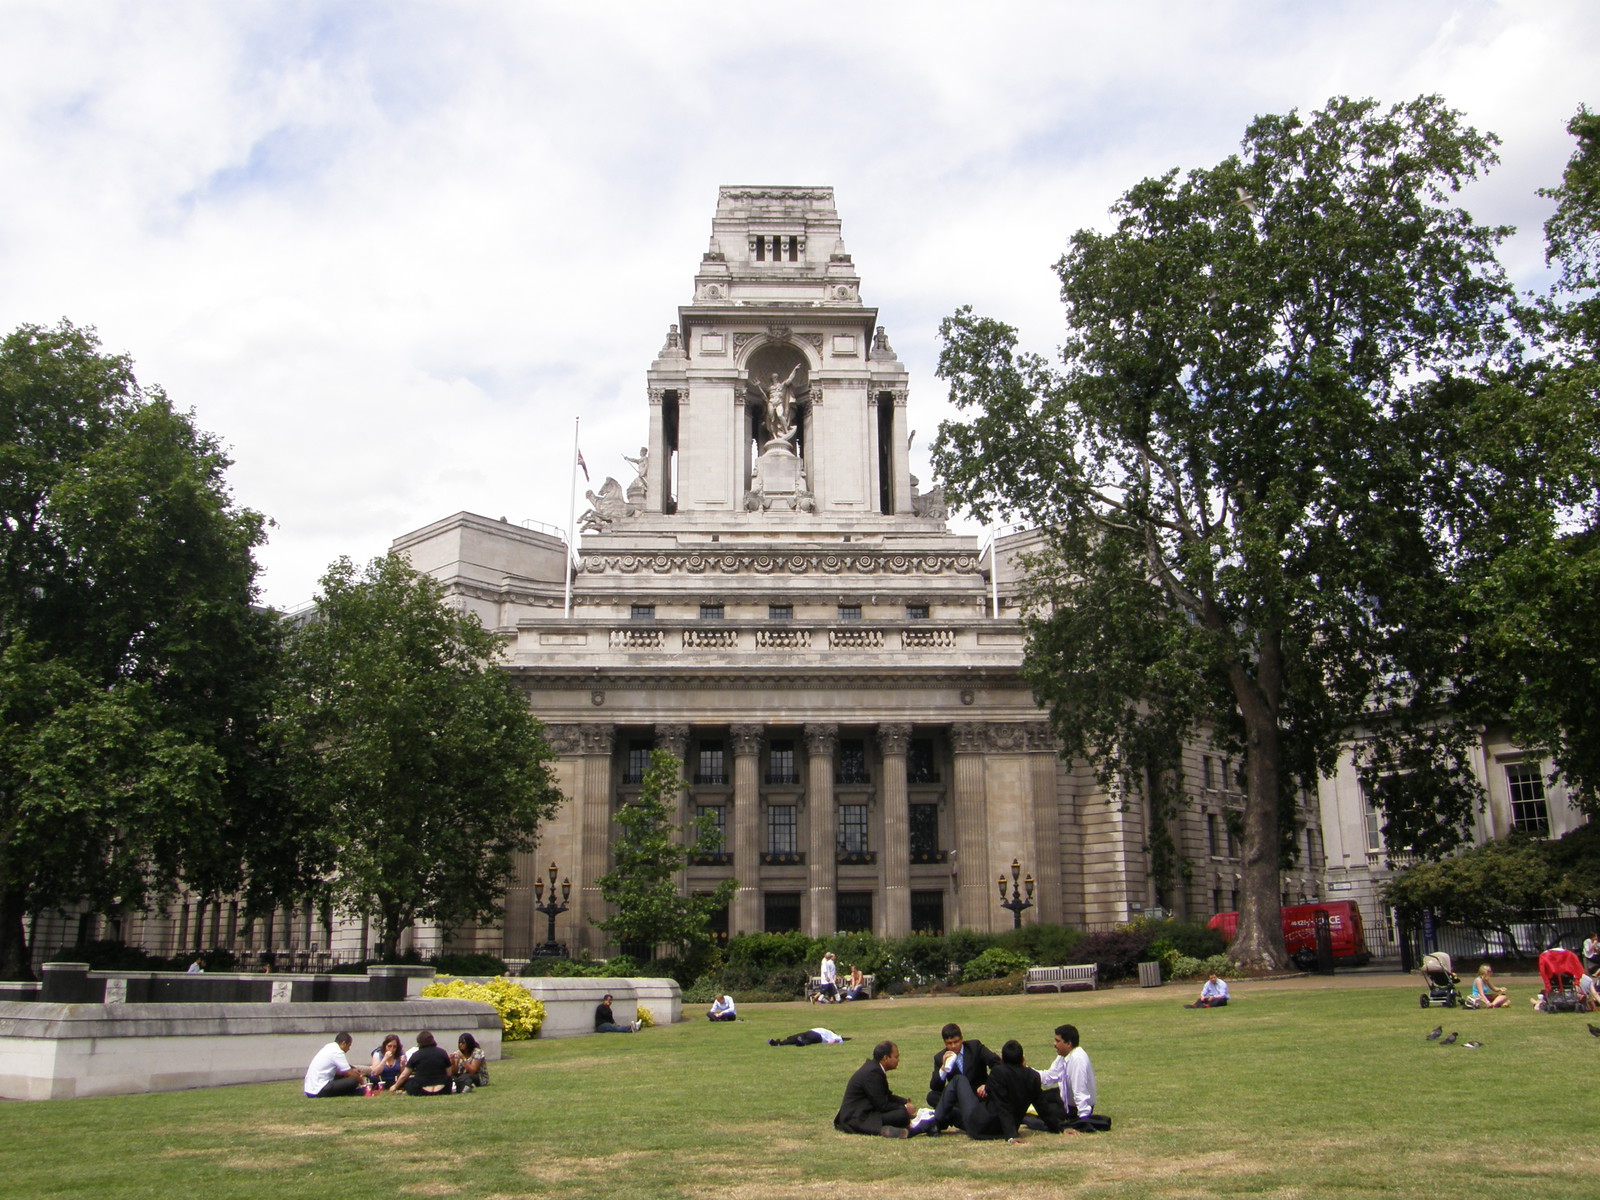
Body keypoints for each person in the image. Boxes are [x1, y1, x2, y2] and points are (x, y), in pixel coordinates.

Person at [933, 1039, 1047, 1141]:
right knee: (948, 1110)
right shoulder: (1033, 1077)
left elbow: (1003, 1106)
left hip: (980, 1125)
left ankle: (934, 1122)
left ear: (1002, 1059)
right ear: (1022, 1058)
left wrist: (1011, 1136)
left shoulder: (999, 1072)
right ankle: (938, 1119)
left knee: (959, 1079)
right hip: (1001, 1127)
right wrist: (1057, 1126)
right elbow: (1041, 1104)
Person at [834, 1040, 924, 1137]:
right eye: (896, 1057)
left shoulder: (874, 1069)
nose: (898, 1060)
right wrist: (905, 1108)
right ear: (885, 1058)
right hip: (857, 1117)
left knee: (901, 1114)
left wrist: (904, 1102)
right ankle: (889, 1130)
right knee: (901, 1115)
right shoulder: (873, 1073)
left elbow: (886, 1096)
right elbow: (882, 1105)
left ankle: (892, 1128)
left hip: (860, 1114)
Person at [926, 1022, 1001, 1128]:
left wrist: (987, 1085)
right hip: (959, 1100)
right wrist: (943, 1068)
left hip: (980, 1095)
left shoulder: (975, 1047)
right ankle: (961, 1115)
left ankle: (953, 1117)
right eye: (949, 1043)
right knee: (932, 1097)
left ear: (961, 1039)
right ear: (944, 1043)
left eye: (956, 1042)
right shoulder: (940, 1057)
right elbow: (935, 1087)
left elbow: (997, 1064)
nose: (953, 1046)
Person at [1035, 1024, 1106, 1133]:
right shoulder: (1063, 1056)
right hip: (1063, 1096)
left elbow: (1080, 1091)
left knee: (1042, 1114)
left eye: (1057, 1041)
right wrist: (1026, 1072)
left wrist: (1084, 1120)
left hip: (1074, 1107)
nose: (1054, 1044)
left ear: (1068, 1044)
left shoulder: (1078, 1060)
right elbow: (1050, 1076)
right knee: (1035, 1098)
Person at [303, 1032, 368, 1098]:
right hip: (319, 1090)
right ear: (343, 1043)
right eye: (349, 1046)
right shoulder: (337, 1052)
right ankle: (358, 1091)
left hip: (310, 1090)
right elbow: (349, 1073)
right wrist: (363, 1082)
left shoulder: (329, 1047)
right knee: (354, 1081)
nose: (349, 1049)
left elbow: (340, 1070)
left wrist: (353, 1069)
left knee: (344, 1078)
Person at [390, 1030, 455, 1096]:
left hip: (421, 1090)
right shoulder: (442, 1052)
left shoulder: (416, 1055)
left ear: (419, 1042)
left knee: (408, 1081)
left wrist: (395, 1086)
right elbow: (449, 1074)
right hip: (443, 1090)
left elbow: (404, 1075)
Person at [769, 1027, 848, 1046]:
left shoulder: (833, 1034)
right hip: (814, 1034)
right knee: (797, 1038)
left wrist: (833, 1041)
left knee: (795, 1037)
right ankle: (778, 1043)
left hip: (813, 1033)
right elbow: (838, 1040)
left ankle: (779, 1043)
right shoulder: (832, 1034)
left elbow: (840, 1039)